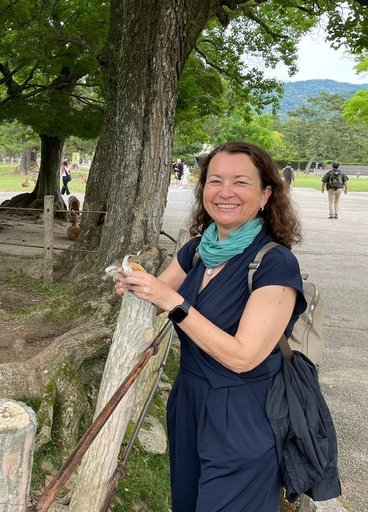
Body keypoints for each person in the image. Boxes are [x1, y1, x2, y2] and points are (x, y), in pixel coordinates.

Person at [114, 141, 306, 512]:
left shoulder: (275, 264)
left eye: (241, 182)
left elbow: (243, 357)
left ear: (266, 194)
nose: (225, 192)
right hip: (188, 400)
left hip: (244, 411)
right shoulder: (198, 249)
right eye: (215, 181)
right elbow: (157, 300)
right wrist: (134, 285)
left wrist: (172, 301)